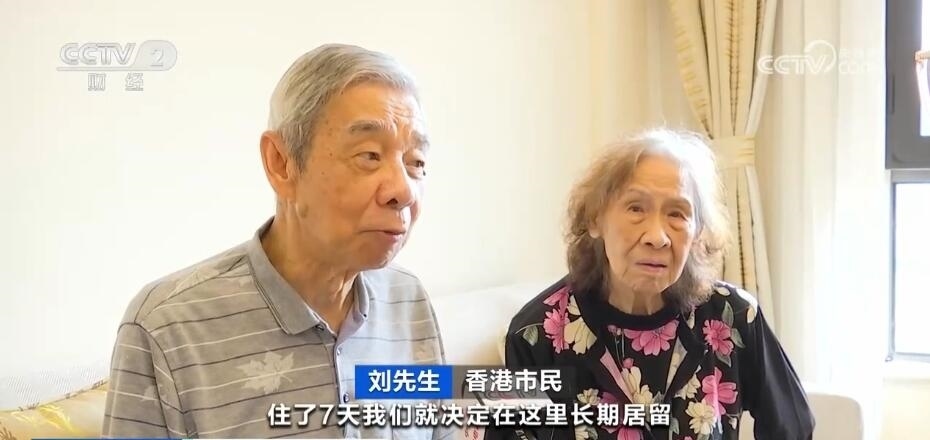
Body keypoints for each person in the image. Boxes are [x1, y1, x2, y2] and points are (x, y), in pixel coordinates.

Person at [102, 44, 450, 439]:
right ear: (281, 163)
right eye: (369, 155)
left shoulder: (408, 299)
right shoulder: (167, 327)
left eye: (416, 162)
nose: (403, 191)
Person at [503, 129, 814, 440]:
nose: (657, 237)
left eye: (677, 214)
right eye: (636, 208)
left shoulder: (732, 316)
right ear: (595, 219)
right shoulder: (535, 333)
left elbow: (793, 425)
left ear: (697, 232)